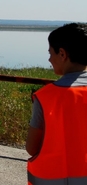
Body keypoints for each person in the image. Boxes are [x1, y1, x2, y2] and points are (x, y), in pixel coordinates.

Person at [26, 23, 87, 184]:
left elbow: (32, 148)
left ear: (62, 54)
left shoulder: (45, 96)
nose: (49, 59)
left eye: (50, 53)